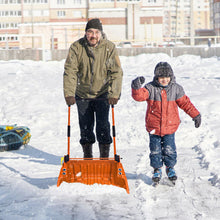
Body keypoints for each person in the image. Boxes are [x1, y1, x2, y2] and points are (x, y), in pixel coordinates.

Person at [131, 62, 201, 183]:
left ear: (171, 76)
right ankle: (157, 169)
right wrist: (136, 87)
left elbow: (185, 103)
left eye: (167, 77)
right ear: (156, 77)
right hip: (154, 127)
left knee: (169, 149)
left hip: (170, 127)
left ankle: (170, 168)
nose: (164, 80)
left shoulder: (176, 89)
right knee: (155, 150)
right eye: (161, 77)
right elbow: (139, 97)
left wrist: (195, 114)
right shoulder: (150, 88)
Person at [63, 18, 123, 159]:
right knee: (85, 128)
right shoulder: (77, 47)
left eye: (96, 32)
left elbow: (116, 71)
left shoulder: (109, 47)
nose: (93, 35)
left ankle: (104, 158)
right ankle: (88, 157)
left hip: (102, 95)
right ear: (86, 33)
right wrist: (69, 93)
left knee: (103, 127)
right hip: (82, 95)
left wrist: (114, 93)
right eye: (90, 32)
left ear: (101, 34)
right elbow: (70, 71)